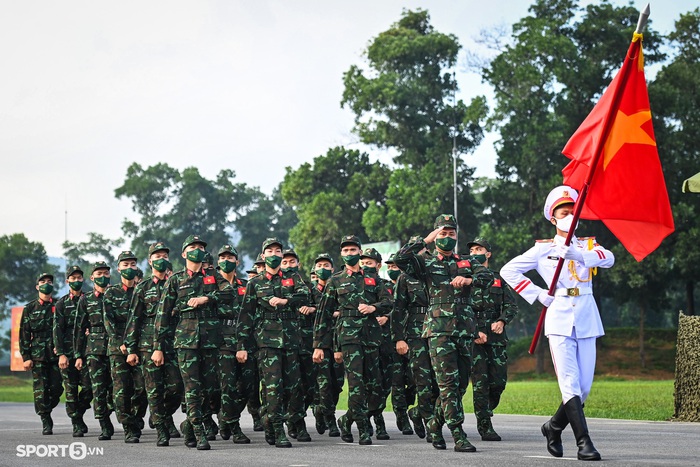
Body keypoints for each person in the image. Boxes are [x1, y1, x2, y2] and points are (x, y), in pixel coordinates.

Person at [500, 185, 614, 461]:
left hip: (586, 316)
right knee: (569, 384)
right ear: (553, 218)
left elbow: (608, 258)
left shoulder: (588, 245)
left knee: (584, 387)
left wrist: (578, 255)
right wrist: (538, 294)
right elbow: (508, 270)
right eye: (564, 212)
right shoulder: (543, 249)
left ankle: (553, 426)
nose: (569, 216)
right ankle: (584, 443)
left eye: (573, 211)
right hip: (560, 316)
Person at [394, 215, 492, 453]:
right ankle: (457, 434)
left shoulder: (467, 262)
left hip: (464, 331)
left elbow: (488, 277)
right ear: (436, 235)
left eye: (451, 233)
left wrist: (468, 279)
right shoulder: (425, 263)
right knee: (447, 385)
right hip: (438, 332)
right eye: (442, 233)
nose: (447, 237)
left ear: (457, 236)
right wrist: (424, 240)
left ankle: (435, 424)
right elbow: (400, 258)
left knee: (459, 387)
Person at [152, 234, 229, 450]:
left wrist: (208, 298)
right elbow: (163, 314)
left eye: (200, 247)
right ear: (184, 253)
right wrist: (158, 347)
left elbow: (229, 293)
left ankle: (189, 425)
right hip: (185, 342)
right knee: (192, 388)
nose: (197, 250)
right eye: (193, 247)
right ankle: (198, 430)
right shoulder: (175, 280)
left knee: (210, 388)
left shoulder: (213, 276)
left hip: (210, 341)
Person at [313, 235, 392, 446]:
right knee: (356, 385)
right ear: (341, 254)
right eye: (345, 251)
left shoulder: (373, 278)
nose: (349, 254)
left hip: (371, 337)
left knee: (375, 387)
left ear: (359, 252)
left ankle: (346, 419)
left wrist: (373, 307)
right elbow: (323, 314)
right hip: (348, 338)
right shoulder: (335, 280)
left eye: (353, 250)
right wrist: (320, 345)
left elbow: (388, 301)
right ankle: (363, 429)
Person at [237, 237, 312, 448]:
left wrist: (286, 301)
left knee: (294, 387)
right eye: (269, 251)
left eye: (277, 251)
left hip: (290, 340)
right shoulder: (255, 283)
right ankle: (279, 430)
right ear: (263, 256)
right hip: (267, 343)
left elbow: (305, 295)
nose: (274, 254)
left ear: (282, 255)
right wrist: (242, 345)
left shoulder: (293, 277)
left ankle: (269, 417)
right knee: (273, 388)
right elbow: (246, 316)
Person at [124, 242, 183, 446]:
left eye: (165, 256)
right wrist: (131, 349)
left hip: (173, 343)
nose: (161, 259)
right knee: (152, 389)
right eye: (157, 256)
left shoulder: (176, 283)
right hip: (148, 346)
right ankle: (159, 430)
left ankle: (161, 415)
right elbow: (134, 320)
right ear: (150, 261)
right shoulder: (143, 288)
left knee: (177, 387)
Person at [466, 238, 518, 441]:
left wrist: (502, 321)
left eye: (479, 249)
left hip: (496, 337)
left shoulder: (499, 279)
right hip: (474, 337)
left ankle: (487, 408)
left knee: (498, 383)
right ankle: (485, 425)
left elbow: (511, 306)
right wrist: (474, 332)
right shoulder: (465, 279)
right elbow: (460, 309)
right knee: (481, 382)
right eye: (472, 250)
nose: (475, 253)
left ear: (488, 254)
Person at [391, 239, 438, 441]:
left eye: (421, 249)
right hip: (416, 332)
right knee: (423, 380)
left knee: (440, 383)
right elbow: (398, 309)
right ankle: (430, 424)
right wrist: (399, 338)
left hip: (438, 328)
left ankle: (418, 412)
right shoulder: (405, 277)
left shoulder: (437, 270)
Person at [104, 250, 147, 443]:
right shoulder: (111, 293)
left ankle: (137, 418)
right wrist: (120, 343)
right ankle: (128, 426)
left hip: (140, 346)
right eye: (125, 265)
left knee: (142, 387)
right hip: (118, 348)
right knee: (121, 389)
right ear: (118, 268)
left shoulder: (141, 290)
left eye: (132, 265)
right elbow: (109, 322)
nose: (129, 268)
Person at [215, 244, 252, 445]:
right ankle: (234, 426)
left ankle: (225, 416)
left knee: (247, 387)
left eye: (230, 258)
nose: (226, 261)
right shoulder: (211, 285)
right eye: (223, 258)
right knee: (227, 387)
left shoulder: (246, 286)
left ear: (237, 261)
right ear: (217, 262)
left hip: (244, 341)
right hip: (221, 342)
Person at [74, 261, 116, 441]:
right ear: (92, 278)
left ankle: (113, 410)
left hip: (115, 347)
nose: (103, 277)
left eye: (106, 273)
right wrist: (78, 355)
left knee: (117, 389)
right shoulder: (86, 299)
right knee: (98, 389)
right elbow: (79, 328)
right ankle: (104, 423)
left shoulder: (117, 295)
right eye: (99, 274)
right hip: (95, 350)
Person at [20, 272, 64, 435]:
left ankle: (46, 407)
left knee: (56, 388)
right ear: (37, 286)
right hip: (37, 354)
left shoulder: (59, 305)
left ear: (53, 286)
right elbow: (24, 333)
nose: (47, 284)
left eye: (49, 282)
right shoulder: (30, 308)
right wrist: (26, 357)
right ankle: (45, 418)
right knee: (40, 389)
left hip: (55, 352)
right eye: (43, 281)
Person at [360, 247, 395, 440]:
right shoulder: (357, 285)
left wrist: (386, 317)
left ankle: (375, 414)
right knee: (369, 384)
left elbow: (395, 306)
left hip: (386, 342)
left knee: (385, 384)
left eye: (370, 263)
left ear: (378, 265)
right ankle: (375, 423)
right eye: (363, 263)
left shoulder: (386, 285)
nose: (366, 266)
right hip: (366, 341)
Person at [281, 248, 317, 440]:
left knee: (310, 387)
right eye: (284, 262)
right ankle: (296, 422)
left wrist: (312, 308)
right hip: (286, 342)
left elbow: (325, 308)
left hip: (308, 342)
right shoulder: (276, 286)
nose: (288, 266)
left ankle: (294, 417)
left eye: (292, 262)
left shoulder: (309, 287)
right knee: (292, 386)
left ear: (299, 264)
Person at [54, 265, 92, 437]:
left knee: (89, 387)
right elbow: (58, 330)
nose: (76, 281)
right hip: (68, 354)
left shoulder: (89, 299)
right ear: (67, 281)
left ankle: (79, 413)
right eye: (73, 278)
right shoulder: (62, 304)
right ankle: (76, 423)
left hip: (87, 352)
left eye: (79, 278)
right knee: (70, 391)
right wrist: (61, 353)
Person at [310, 253, 342, 438]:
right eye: (319, 264)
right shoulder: (308, 290)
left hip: (338, 341)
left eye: (326, 265)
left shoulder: (338, 286)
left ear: (332, 268)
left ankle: (321, 410)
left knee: (337, 384)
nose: (323, 268)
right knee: (324, 384)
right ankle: (330, 420)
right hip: (320, 342)